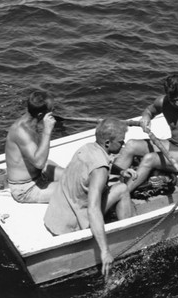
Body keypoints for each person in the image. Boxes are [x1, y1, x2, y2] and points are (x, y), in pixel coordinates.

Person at [44, 118, 134, 280]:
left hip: (55, 216)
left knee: (114, 186)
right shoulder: (100, 171)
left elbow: (100, 162)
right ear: (107, 143)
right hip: (71, 226)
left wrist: (120, 171)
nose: (123, 145)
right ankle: (129, 236)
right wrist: (105, 252)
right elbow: (93, 208)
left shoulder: (85, 149)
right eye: (121, 142)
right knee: (122, 189)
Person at [5, 90, 64, 203]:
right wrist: (47, 130)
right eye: (51, 111)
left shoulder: (31, 122)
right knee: (76, 189)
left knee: (76, 177)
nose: (54, 113)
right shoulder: (21, 132)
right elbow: (39, 163)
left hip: (40, 173)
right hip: (26, 188)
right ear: (41, 115)